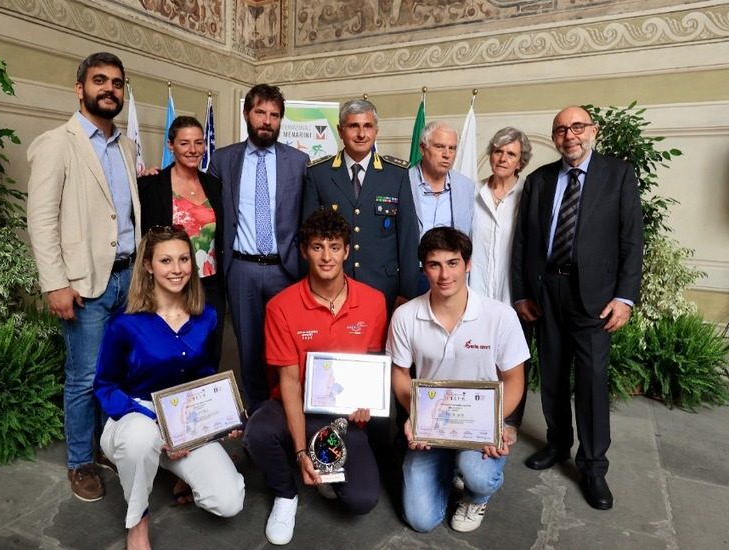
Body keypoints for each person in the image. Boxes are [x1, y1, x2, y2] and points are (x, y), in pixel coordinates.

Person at [511, 106, 643, 510]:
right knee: (550, 374)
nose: (570, 135)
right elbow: (523, 242)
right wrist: (521, 294)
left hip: (596, 298)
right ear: (554, 138)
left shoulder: (618, 175)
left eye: (578, 127)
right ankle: (557, 444)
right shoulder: (539, 180)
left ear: (593, 131)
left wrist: (624, 297)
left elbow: (631, 240)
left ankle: (593, 466)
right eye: (561, 129)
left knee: (590, 381)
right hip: (547, 290)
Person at [27, 52, 140, 502]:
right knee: (82, 378)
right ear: (80, 89)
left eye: (116, 83)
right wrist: (55, 283)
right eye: (100, 81)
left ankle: (109, 444)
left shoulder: (127, 146)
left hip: (129, 279)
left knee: (119, 372)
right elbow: (41, 220)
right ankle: (80, 461)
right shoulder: (58, 142)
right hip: (84, 284)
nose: (109, 89)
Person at [243, 209, 388, 545]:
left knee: (362, 500)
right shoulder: (281, 307)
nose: (326, 256)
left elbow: (371, 370)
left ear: (347, 251)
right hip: (295, 403)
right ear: (305, 251)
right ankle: (285, 493)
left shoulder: (374, 302)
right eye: (318, 247)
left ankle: (326, 472)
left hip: (341, 412)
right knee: (259, 432)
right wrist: (299, 453)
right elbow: (290, 383)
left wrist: (365, 406)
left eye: (335, 247)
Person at [94, 227, 244, 550]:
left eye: (183, 259)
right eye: (166, 260)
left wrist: (218, 422)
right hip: (134, 417)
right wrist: (156, 425)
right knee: (142, 439)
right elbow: (105, 386)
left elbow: (203, 377)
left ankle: (177, 472)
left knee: (229, 501)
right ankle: (138, 523)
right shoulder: (125, 323)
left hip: (183, 420)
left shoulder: (207, 317)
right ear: (148, 265)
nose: (177, 269)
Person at [388, 227, 528, 533]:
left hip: (479, 425)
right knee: (420, 520)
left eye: (453, 263)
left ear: (467, 264)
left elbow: (515, 379)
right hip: (431, 425)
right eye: (434, 265)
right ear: (423, 268)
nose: (444, 274)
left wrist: (495, 423)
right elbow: (399, 374)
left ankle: (476, 496)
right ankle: (449, 464)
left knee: (478, 475)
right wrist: (414, 415)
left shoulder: (500, 316)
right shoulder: (405, 316)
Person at [208, 84, 309, 411]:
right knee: (249, 350)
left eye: (274, 115)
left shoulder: (299, 161)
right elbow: (199, 202)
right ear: (246, 114)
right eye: (260, 112)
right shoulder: (224, 160)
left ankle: (285, 417)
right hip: (242, 270)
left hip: (285, 269)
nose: (267, 121)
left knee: (286, 349)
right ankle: (257, 418)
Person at [302, 98, 419, 313]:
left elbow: (408, 238)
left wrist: (407, 291)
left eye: (368, 126)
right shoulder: (319, 173)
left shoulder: (397, 175)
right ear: (340, 130)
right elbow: (307, 236)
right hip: (332, 287)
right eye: (353, 126)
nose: (361, 134)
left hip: (384, 288)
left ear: (376, 131)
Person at [138, 115, 226, 367]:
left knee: (209, 354)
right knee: (171, 355)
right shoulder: (151, 186)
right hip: (169, 286)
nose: (193, 150)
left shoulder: (214, 185)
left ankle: (208, 405)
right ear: (171, 146)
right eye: (185, 143)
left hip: (210, 286)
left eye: (199, 143)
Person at [470, 126, 533, 433]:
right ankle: (471, 424)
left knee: (511, 364)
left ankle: (507, 425)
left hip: (514, 298)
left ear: (520, 162)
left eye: (511, 154)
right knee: (475, 363)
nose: (503, 158)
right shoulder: (472, 193)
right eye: (498, 151)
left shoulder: (530, 195)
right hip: (476, 295)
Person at [408, 120, 475, 294]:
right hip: (412, 275)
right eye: (439, 147)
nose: (447, 154)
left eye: (452, 148)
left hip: (449, 278)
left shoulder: (466, 186)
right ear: (423, 149)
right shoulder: (402, 181)